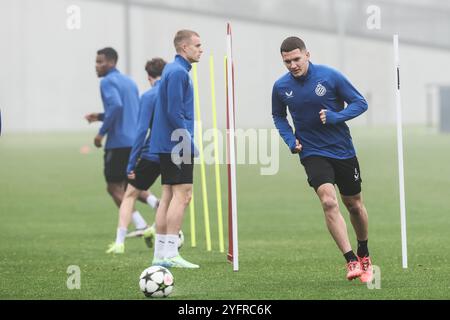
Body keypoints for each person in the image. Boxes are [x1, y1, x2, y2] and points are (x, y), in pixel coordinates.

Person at [272, 37, 373, 282]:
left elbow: (361, 103)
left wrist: (336, 116)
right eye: (287, 61)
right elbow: (278, 116)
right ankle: (350, 260)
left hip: (343, 151)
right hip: (312, 152)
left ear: (307, 54)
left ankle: (363, 253)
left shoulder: (330, 76)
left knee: (354, 205)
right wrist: (290, 139)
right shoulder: (280, 86)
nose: (293, 65)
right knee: (328, 201)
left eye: (296, 59)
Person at [85, 47, 159, 235]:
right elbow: (126, 110)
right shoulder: (130, 82)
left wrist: (101, 133)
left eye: (100, 62)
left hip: (118, 143)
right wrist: (100, 116)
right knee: (129, 184)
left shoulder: (107, 82)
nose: (96, 66)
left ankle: (140, 224)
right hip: (134, 141)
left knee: (113, 187)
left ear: (111, 62)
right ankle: (156, 203)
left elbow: (116, 106)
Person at [148, 30, 203, 268]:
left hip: (165, 142)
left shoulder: (172, 70)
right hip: (176, 143)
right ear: (184, 48)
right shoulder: (179, 72)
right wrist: (188, 142)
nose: (201, 49)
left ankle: (160, 254)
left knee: (168, 195)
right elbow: (173, 112)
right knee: (184, 195)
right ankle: (171, 252)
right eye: (198, 45)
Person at [106, 58, 166, 254]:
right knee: (171, 197)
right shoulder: (176, 94)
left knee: (129, 195)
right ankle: (159, 233)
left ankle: (119, 242)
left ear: (149, 77)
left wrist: (132, 163)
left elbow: (141, 131)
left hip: (150, 153)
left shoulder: (149, 96)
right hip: (174, 153)